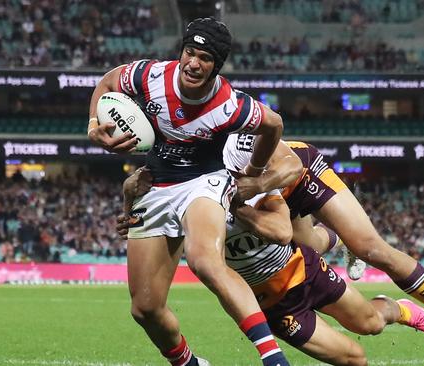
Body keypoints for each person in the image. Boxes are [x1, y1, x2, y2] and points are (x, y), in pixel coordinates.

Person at [118, 149, 424, 366]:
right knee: (355, 359)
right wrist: (134, 214)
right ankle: (339, 239)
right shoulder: (182, 198)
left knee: (371, 324)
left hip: (302, 269)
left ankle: (402, 309)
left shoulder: (246, 177)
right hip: (272, 305)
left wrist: (235, 205)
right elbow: (149, 214)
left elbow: (281, 230)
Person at [87, 18, 290, 366]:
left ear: (216, 66)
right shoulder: (151, 76)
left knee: (204, 260)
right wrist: (93, 124)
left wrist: (254, 174)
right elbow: (109, 81)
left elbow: (274, 125)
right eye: (189, 52)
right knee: (145, 308)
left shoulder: (230, 105)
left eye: (205, 58)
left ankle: (273, 358)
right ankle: (189, 364)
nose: (194, 63)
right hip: (155, 183)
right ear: (181, 52)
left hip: (204, 180)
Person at [231, 137, 424, 361]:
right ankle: (343, 238)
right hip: (265, 203)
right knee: (313, 245)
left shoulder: (230, 120)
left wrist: (257, 185)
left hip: (295, 177)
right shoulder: (193, 169)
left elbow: (285, 155)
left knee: (370, 248)